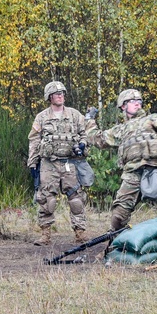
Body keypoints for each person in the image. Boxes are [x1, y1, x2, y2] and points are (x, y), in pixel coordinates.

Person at [86, 89, 157, 231]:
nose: (137, 104)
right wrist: (89, 120)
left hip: (154, 170)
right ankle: (116, 245)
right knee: (119, 214)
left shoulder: (153, 119)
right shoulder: (120, 129)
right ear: (123, 106)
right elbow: (98, 138)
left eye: (139, 101)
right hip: (132, 174)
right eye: (132, 102)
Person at [27, 81, 96, 246]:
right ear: (49, 97)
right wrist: (32, 162)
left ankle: (80, 233)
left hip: (70, 163)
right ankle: (45, 235)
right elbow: (34, 139)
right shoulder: (42, 117)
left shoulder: (74, 115)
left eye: (62, 93)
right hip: (48, 164)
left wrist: (82, 144)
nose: (60, 96)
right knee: (46, 199)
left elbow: (85, 133)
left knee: (76, 199)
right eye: (57, 94)